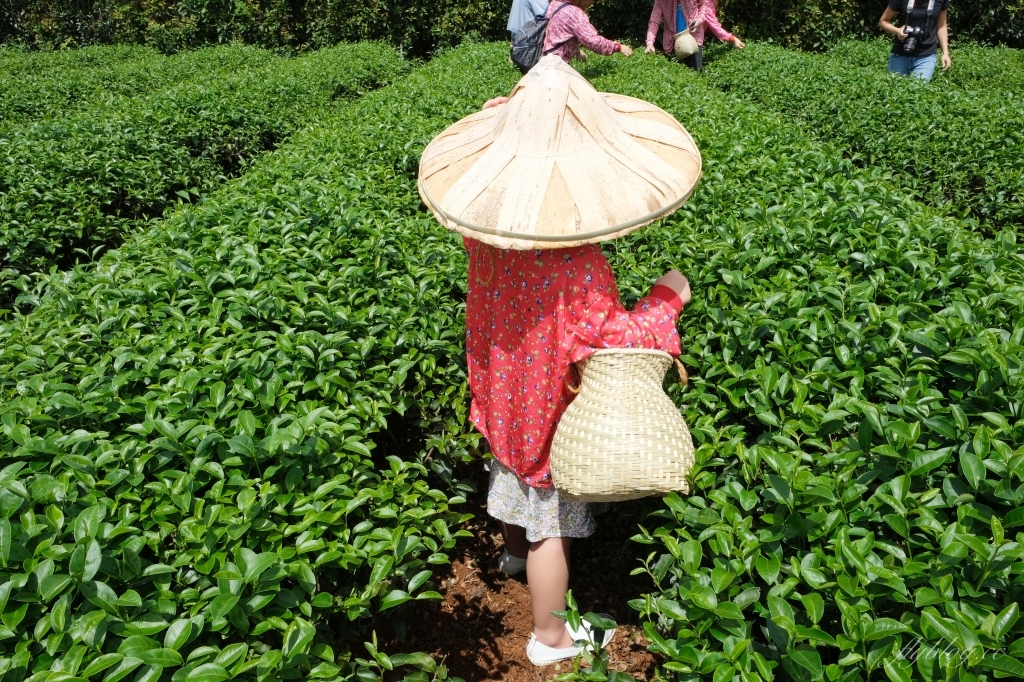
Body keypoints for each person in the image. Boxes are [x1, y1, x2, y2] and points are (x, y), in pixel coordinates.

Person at [645, 0, 744, 71]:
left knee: (694, 76)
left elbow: (708, 13)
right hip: (672, 44)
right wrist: (650, 43)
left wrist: (699, 20)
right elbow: (654, 20)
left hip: (693, 41)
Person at [542, 0, 633, 65]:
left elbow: (559, 35)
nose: (591, 3)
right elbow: (593, 41)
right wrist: (617, 47)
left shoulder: (555, 4)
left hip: (545, 62)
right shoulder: (574, 12)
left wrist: (576, 50)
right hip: (558, 66)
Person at [879, 0, 951, 81]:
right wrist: (897, 31)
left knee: (918, 90)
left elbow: (941, 26)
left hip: (926, 56)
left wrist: (945, 52)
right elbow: (883, 21)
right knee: (893, 87)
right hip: (900, 53)